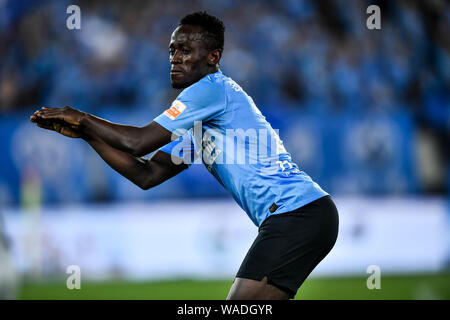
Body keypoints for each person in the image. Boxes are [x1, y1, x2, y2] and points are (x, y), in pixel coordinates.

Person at [30, 11, 338, 300]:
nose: (175, 58)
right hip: (302, 216)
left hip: (297, 214)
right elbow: (148, 174)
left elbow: (138, 142)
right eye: (172, 50)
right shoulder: (202, 124)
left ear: (213, 57)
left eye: (185, 50)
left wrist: (81, 118)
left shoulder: (210, 89)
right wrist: (88, 134)